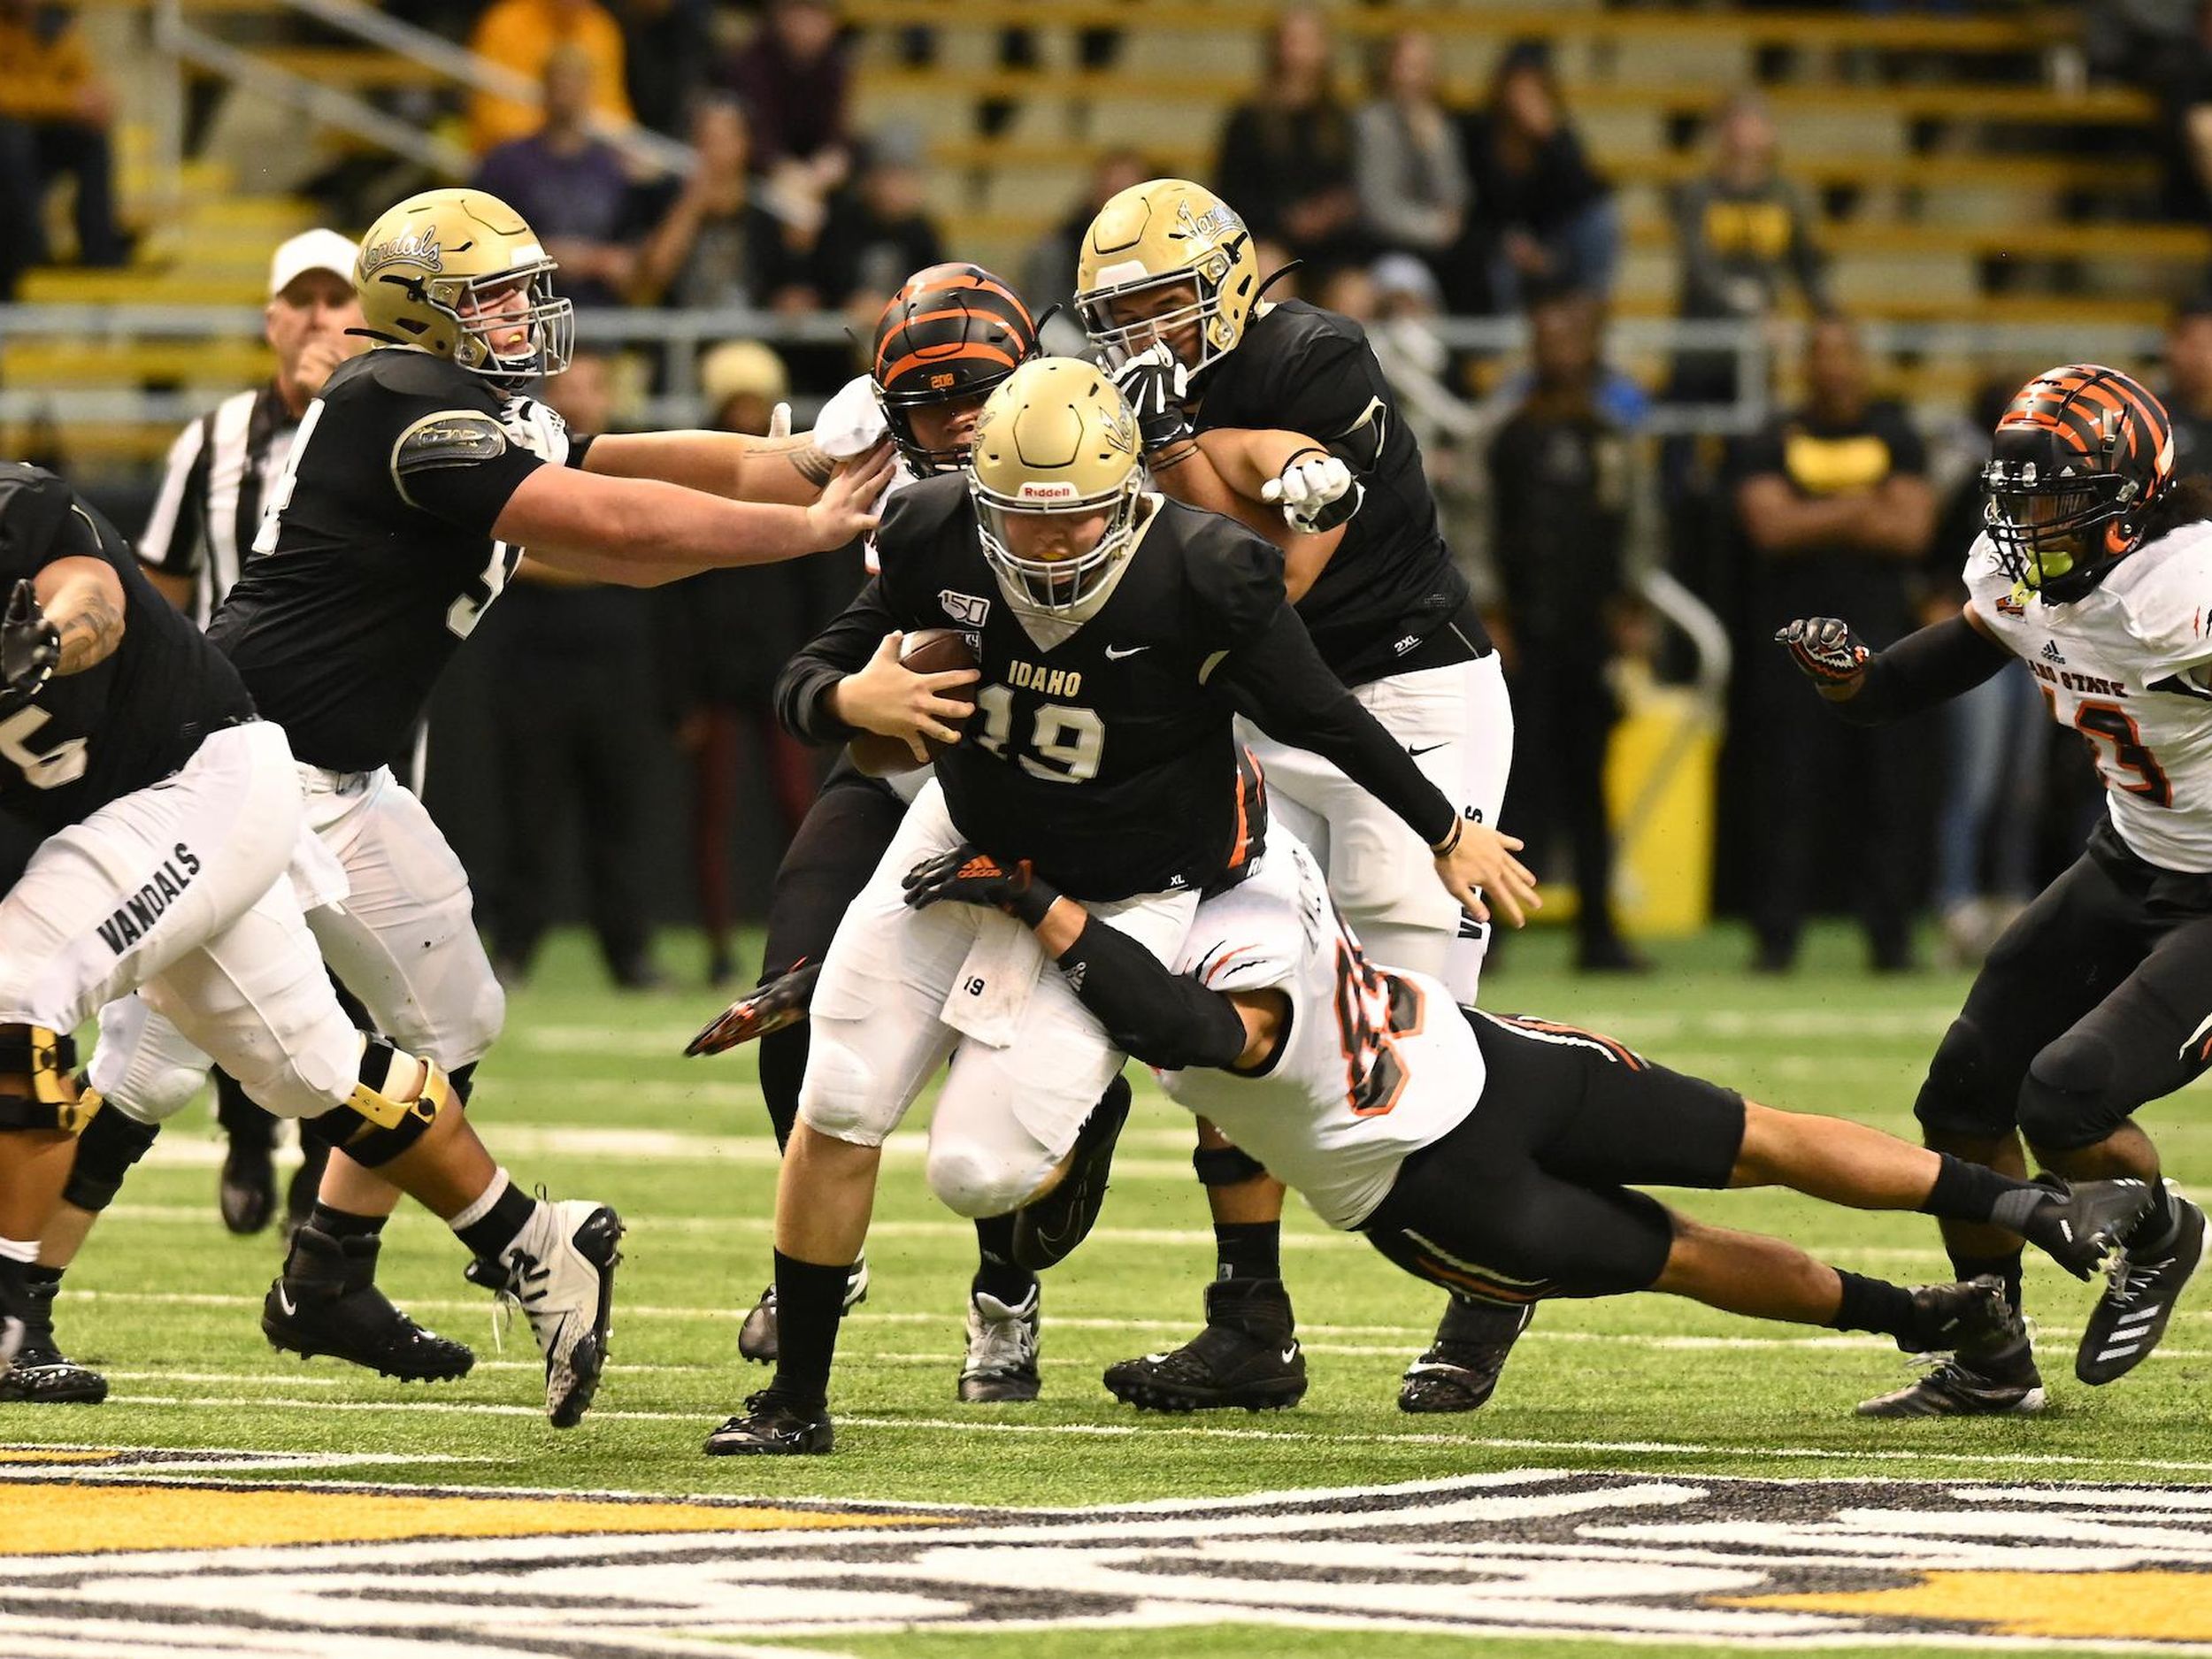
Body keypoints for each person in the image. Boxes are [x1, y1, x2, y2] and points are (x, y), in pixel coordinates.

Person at [60, 186, 892, 1391]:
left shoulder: (475, 406)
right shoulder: (402, 402)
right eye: (494, 295)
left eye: (521, 288)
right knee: (153, 1058)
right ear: (423, 313)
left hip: (344, 778)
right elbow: (615, 522)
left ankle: (329, 1270)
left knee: (452, 1022)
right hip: (236, 767)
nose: (524, 314)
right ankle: (21, 1307)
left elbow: (622, 476)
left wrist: (806, 459)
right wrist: (806, 527)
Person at [699, 356, 1536, 1455]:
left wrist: (1443, 828)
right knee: (840, 1098)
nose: (1047, 545)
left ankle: (1082, 1124)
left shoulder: (1207, 571)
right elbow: (808, 677)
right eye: (1022, 520)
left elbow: (1324, 714)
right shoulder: (934, 530)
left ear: (1129, 494)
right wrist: (852, 694)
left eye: (1076, 519)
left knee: (977, 1171)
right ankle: (794, 1401)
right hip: (959, 845)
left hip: (1129, 891)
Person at [899, 826, 2150, 1409]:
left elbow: (1189, 1031)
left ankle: (1934, 1316)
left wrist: (1044, 907)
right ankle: (2022, 1210)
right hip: (1492, 1060)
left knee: (1688, 1250)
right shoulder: (1263, 846)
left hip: (1429, 1181)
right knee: (1754, 1139)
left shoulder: (1188, 960)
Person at [0, 463, 621, 1425]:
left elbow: (96, 601)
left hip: (195, 779)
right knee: (314, 1069)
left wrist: (40, 643)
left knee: (19, 984)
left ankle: (7, 1312)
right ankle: (534, 1239)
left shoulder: (17, 505)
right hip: (124, 816)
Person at [1073, 177, 1526, 1415]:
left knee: (1425, 1022)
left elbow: (1264, 583)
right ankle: (1248, 1320)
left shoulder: (1313, 356)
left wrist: (1172, 452)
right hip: (1267, 714)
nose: (1144, 336)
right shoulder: (1129, 393)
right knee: (1226, 1003)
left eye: (1165, 303)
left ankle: (1493, 1274)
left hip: (1405, 700)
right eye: (1121, 314)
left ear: (1225, 280)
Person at [1777, 362, 2212, 1415]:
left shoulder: (2186, 594)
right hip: (2130, 854)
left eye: (2059, 502)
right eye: (2020, 504)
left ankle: (2160, 1228)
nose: (2034, 529)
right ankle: (1990, 1358)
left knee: (2063, 1097)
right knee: (1963, 1096)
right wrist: (1852, 679)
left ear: (2134, 494)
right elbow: (1897, 691)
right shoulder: (2025, 583)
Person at [695, 264, 1061, 1405]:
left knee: (999, 1063)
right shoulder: (877, 450)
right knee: (791, 992)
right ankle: (823, 1255)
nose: (956, 420)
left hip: (1045, 784)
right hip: (909, 771)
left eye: (976, 393)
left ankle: (1007, 1291)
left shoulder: (1083, 464)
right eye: (929, 401)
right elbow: (753, 475)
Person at [127, 227, 364, 1245]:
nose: (316, 318)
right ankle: (242, 1130)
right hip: (230, 738)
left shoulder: (405, 429)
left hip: (358, 743)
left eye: (335, 299)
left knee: (343, 960)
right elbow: (163, 593)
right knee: (224, 934)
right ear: (271, 317)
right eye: (299, 300)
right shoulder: (213, 441)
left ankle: (322, 1170)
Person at [1732, 314, 1936, 974]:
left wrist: (1812, 512)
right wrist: (1857, 507)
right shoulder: (1772, 436)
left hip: (1880, 646)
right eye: (1822, 353)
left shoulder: (1896, 433)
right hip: (1793, 645)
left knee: (1887, 792)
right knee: (1787, 790)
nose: (1835, 366)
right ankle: (1776, 938)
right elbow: (1769, 526)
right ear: (1805, 365)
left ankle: (1891, 938)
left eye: (1845, 352)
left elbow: (1911, 530)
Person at [1485, 288, 1653, 972]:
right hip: (1520, 634)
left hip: (1588, 635)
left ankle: (1599, 932)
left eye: (1570, 337)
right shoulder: (1504, 435)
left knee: (1590, 786)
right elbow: (1474, 527)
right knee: (1508, 787)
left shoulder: (1610, 438)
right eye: (1547, 337)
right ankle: (1487, 934)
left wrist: (1633, 604)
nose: (1559, 350)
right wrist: (1488, 610)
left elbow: (1638, 528)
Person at [485, 349, 664, 989]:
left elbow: (649, 546)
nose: (582, 398)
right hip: (534, 668)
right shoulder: (522, 462)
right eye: (570, 386)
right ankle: (513, 950)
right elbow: (506, 555)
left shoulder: (628, 464)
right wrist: (608, 556)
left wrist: (584, 554)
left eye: (593, 386)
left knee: (619, 821)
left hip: (616, 669)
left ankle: (629, 955)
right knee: (528, 820)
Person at [472, 46, 645, 310]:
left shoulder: (611, 169)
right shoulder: (505, 164)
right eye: (561, 84)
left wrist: (593, 260)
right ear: (545, 89)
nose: (567, 95)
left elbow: (630, 261)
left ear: (590, 92)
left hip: (598, 316)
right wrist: (577, 258)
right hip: (524, 309)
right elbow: (482, 244)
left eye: (576, 85)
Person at [1459, 41, 1617, 315]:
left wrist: (1551, 137)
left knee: (1599, 221)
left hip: (1548, 241)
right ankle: (1503, 340)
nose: (1525, 99)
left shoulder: (1557, 139)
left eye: (1534, 90)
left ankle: (1590, 315)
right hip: (1495, 242)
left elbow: (1587, 193)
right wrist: (1507, 242)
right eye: (1519, 88)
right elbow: (1470, 207)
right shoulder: (1477, 134)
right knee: (1498, 262)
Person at [1211, 6, 1362, 277]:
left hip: (1331, 246)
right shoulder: (1249, 120)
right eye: (1293, 40)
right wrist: (1287, 219)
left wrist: (1332, 212)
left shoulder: (1339, 120)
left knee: (1355, 289)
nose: (1300, 51)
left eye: (1309, 40)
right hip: (1268, 237)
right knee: (1271, 270)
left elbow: (1352, 186)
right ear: (1276, 47)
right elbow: (1231, 194)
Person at [0, 0, 126, 298]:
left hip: (39, 135)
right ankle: (23, 258)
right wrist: (67, 102)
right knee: (12, 141)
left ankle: (100, 253)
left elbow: (89, 86)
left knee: (91, 141)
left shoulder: (59, 26)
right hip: (11, 144)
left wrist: (92, 103)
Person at [1350, 30, 1469, 296]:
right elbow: (1377, 208)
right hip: (1384, 247)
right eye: (1406, 66)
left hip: (1440, 252)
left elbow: (1456, 203)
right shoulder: (1371, 124)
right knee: (1405, 283)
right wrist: (1436, 228)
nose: (1412, 77)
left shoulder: (1443, 126)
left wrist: (1434, 147)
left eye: (1421, 67)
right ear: (1389, 70)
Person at [466, 0, 634, 157]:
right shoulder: (507, 21)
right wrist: (558, 134)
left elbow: (613, 110)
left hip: (578, 158)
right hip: (506, 155)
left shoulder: (602, 31)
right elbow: (493, 114)